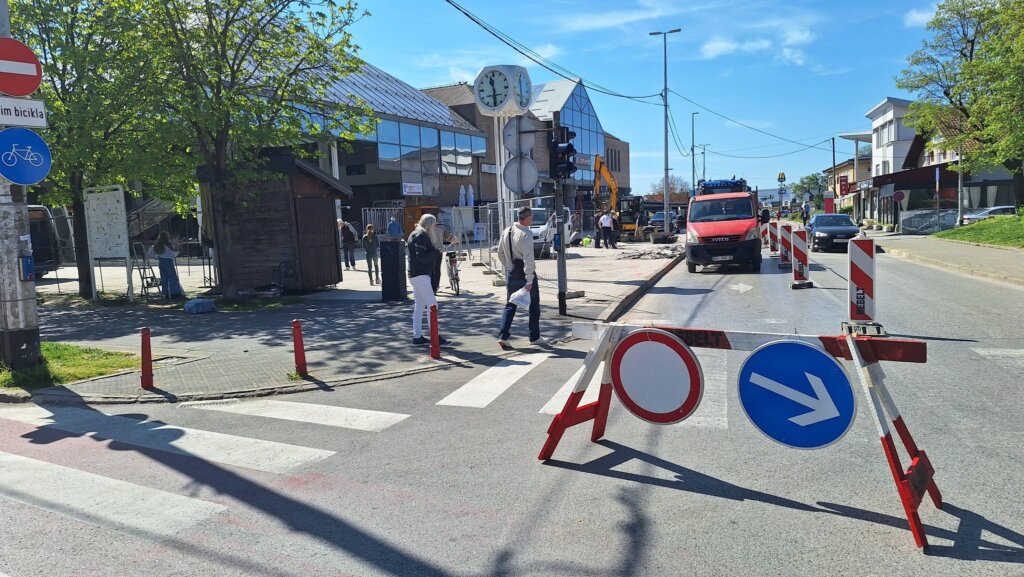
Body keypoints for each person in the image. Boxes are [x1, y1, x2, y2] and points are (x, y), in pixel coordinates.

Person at [497, 206, 542, 350]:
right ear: (528, 218)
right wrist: (529, 279)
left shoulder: (507, 231)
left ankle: (503, 336)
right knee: (534, 305)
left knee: (510, 305)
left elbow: (500, 253)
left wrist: (508, 266)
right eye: (531, 217)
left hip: (512, 271)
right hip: (524, 273)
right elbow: (529, 258)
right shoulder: (526, 234)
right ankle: (534, 336)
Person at [407, 214, 448, 345]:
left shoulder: (416, 234)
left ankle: (417, 336)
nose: (435, 227)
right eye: (434, 224)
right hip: (421, 275)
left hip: (416, 274)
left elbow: (419, 256)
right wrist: (436, 252)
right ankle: (435, 336)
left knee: (419, 306)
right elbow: (421, 257)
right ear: (430, 224)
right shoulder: (421, 235)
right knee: (432, 306)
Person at [151, 231, 184, 299]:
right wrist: (178, 248)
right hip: (168, 261)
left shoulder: (157, 245)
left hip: (161, 262)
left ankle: (166, 293)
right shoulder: (168, 245)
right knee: (173, 278)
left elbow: (153, 254)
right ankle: (174, 293)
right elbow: (174, 254)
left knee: (164, 278)